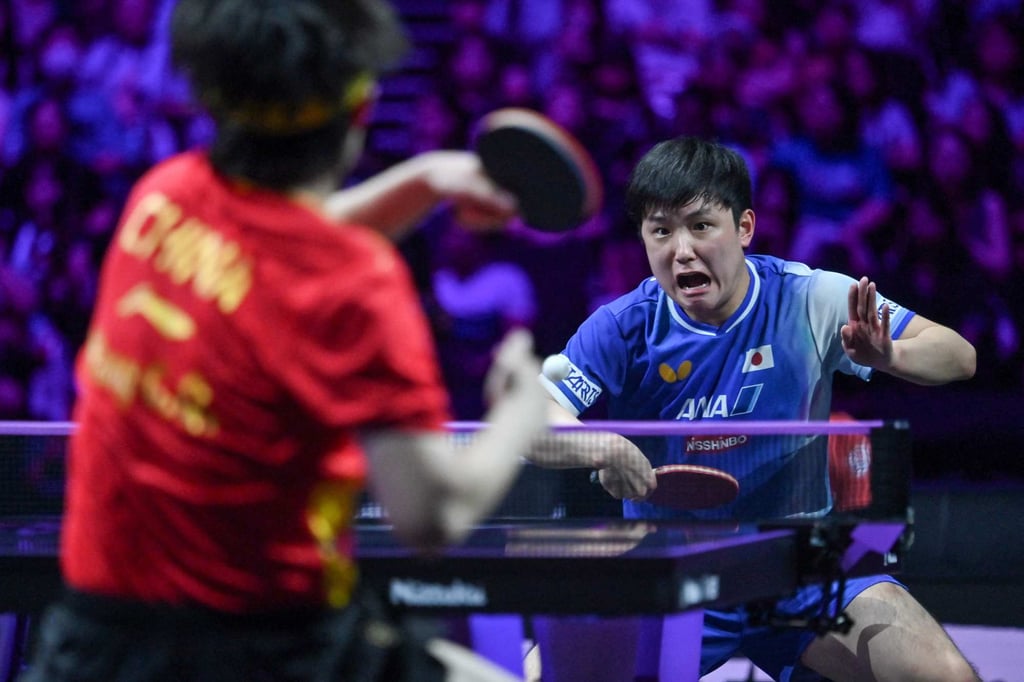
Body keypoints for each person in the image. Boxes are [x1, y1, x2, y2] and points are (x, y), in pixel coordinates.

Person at [19, 1, 549, 681]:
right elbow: (431, 514)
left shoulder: (163, 198)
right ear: (362, 109)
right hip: (271, 650)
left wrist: (424, 182)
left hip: (94, 641)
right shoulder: (360, 286)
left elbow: (278, 255)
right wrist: (520, 409)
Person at [531, 136, 979, 681]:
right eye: (661, 231)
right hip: (671, 571)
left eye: (700, 225)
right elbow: (532, 422)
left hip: (799, 566)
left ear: (744, 227)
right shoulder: (624, 327)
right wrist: (599, 444)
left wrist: (891, 354)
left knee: (944, 676)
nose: (682, 250)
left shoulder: (809, 298)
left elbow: (960, 357)